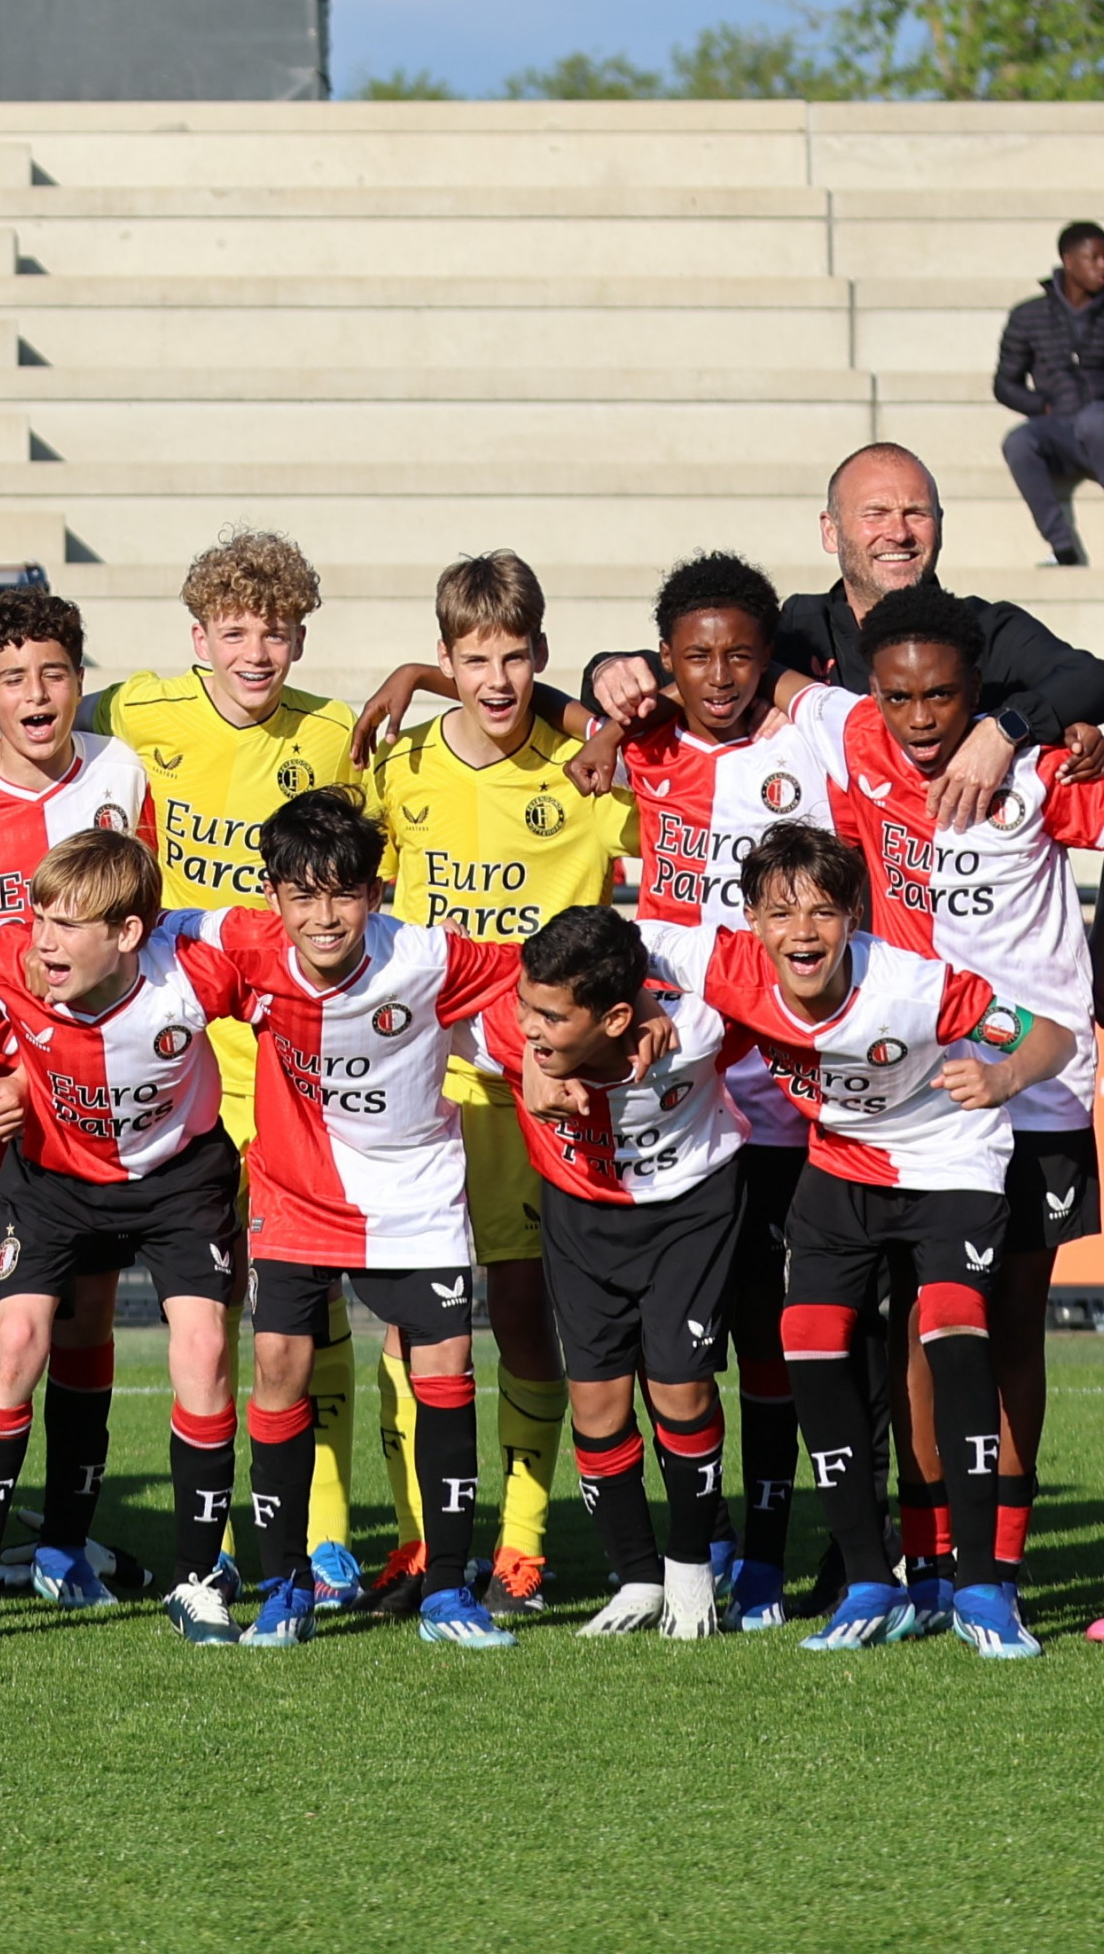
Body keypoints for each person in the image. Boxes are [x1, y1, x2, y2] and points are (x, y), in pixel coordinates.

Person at [781, 583, 1104, 1621]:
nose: (921, 718)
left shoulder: (1037, 766)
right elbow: (742, 672)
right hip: (917, 1093)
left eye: (944, 697)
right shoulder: (850, 733)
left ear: (978, 690)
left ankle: (996, 1559)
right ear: (865, 690)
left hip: (1039, 1084)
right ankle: (928, 1560)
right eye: (899, 696)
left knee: (1010, 1329)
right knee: (924, 1327)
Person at [82, 529, 376, 1601]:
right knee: (200, 1306)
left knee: (309, 1291)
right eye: (237, 631)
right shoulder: (139, 708)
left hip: (292, 1046)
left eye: (279, 630)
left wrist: (423, 676)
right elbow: (38, 714)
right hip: (171, 1043)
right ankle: (183, 1519)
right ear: (197, 636)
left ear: (302, 635)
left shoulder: (338, 733)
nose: (258, 652)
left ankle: (325, 1526)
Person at [705, 820, 1078, 1663]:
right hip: (841, 1170)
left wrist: (1005, 1073)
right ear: (751, 923)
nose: (803, 932)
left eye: (824, 912)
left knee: (951, 1327)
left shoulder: (913, 985)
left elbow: (1054, 1036)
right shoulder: (723, 966)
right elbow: (619, 960)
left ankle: (984, 1589)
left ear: (855, 917)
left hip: (950, 1160)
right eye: (780, 913)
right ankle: (873, 1583)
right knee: (806, 1335)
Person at [357, 551, 633, 1621]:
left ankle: (518, 1546)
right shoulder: (399, 767)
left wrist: (598, 725)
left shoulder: (588, 778)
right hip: (422, 1087)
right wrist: (406, 683)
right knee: (408, 1323)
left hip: (540, 1090)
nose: (499, 680)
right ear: (448, 658)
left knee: (523, 1315)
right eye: (474, 660)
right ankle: (423, 1540)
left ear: (543, 655)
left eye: (516, 657)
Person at [179, 795, 524, 1650]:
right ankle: (285, 1587)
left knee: (444, 1372)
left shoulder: (429, 954)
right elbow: (150, 921)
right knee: (278, 1368)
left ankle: (448, 1588)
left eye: (342, 894)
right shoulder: (245, 942)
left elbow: (543, 968)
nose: (322, 917)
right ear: (274, 897)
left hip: (417, 1194)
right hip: (296, 1192)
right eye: (301, 896)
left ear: (375, 892)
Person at [0, 825, 246, 1650]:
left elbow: (291, 955)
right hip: (54, 1181)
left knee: (205, 1348)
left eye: (69, 924)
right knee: (17, 1341)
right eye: (39, 916)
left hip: (178, 1178)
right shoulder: (11, 960)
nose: (45, 941)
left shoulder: (195, 968)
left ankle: (199, 1579)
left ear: (130, 933)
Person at [608, 551, 825, 1625]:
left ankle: (771, 1554)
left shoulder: (812, 745)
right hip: (681, 1098)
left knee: (770, 1336)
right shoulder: (643, 745)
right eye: (697, 655)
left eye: (741, 653)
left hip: (786, 1094)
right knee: (678, 1345)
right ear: (666, 663)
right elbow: (539, 703)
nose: (721, 673)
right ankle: (714, 1532)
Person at [0, 586, 152, 1606]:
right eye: (13, 678)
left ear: (77, 679)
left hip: (86, 1095)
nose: (36, 693)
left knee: (87, 1312)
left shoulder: (122, 772)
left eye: (53, 672)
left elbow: (139, 931)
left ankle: (65, 1539)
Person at [568, 442, 1104, 835]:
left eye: (916, 514)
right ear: (830, 531)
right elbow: (691, 671)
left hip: (952, 902)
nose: (898, 533)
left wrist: (1004, 730)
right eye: (875, 513)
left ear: (941, 524)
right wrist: (610, 669)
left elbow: (1095, 680)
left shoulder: (982, 628)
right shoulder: (795, 628)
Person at [481, 901, 747, 1640]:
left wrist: (664, 1001)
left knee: (680, 1386)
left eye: (553, 1018)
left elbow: (761, 993)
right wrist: (528, 1065)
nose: (531, 1027)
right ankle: (637, 1574)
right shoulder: (510, 1025)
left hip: (690, 1210)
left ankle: (694, 1565)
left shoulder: (697, 1030)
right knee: (596, 1406)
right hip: (580, 1217)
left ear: (617, 1017)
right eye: (527, 1009)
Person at [995, 220, 1104, 567]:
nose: (1103, 266)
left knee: (1096, 420)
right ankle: (1062, 548)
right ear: (1068, 260)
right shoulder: (1029, 315)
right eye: (1093, 258)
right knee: (1019, 442)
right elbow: (1004, 384)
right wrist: (1040, 405)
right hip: (1059, 427)